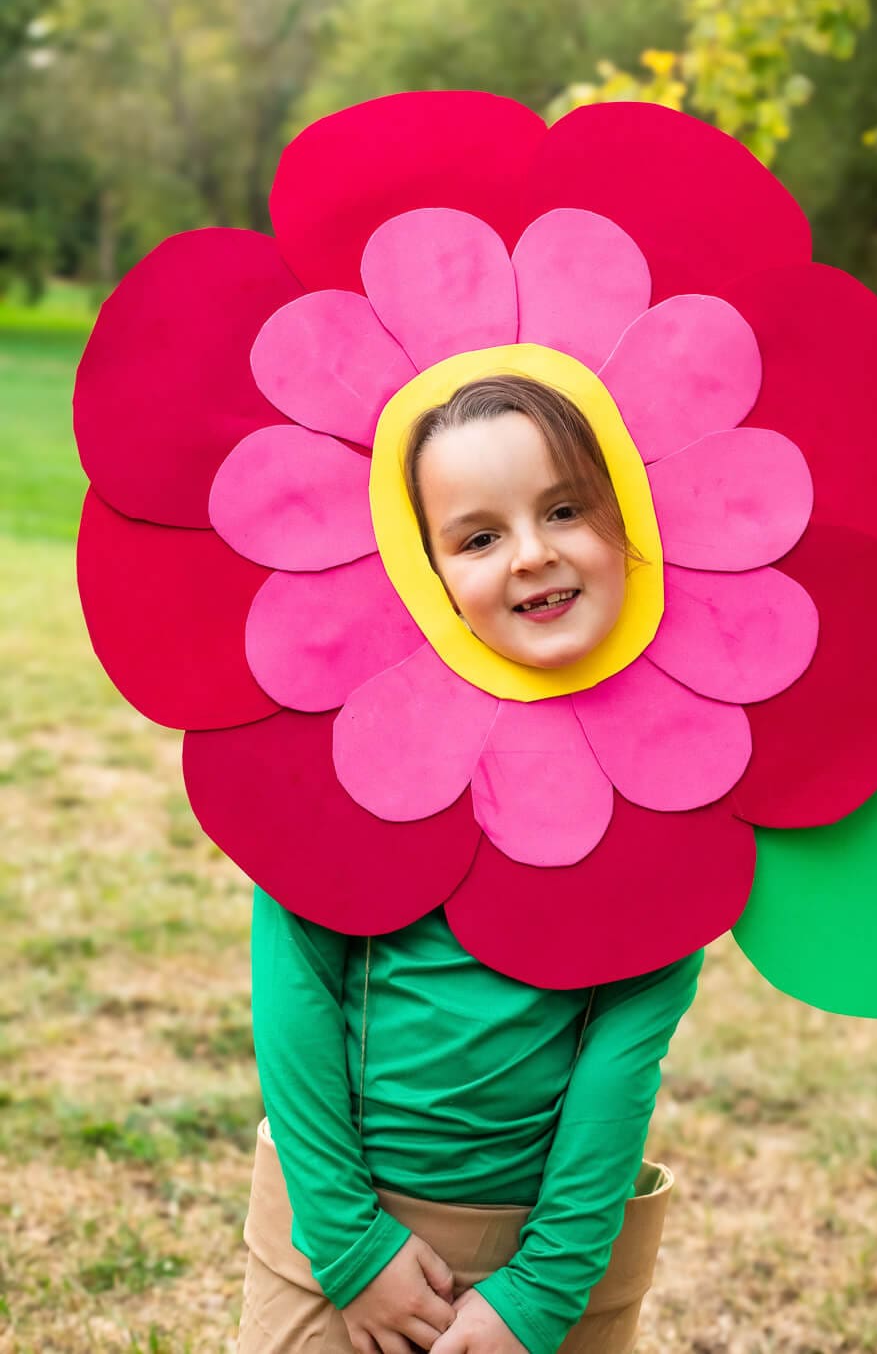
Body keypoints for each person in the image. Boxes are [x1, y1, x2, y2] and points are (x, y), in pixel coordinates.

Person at [239, 376, 703, 1354]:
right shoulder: (354, 759)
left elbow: (624, 1055)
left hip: (547, 1260)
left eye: (566, 507)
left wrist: (539, 1292)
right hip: (342, 1233)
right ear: (427, 570)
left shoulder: (676, 784)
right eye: (478, 536)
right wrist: (349, 1244)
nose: (533, 553)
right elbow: (295, 996)